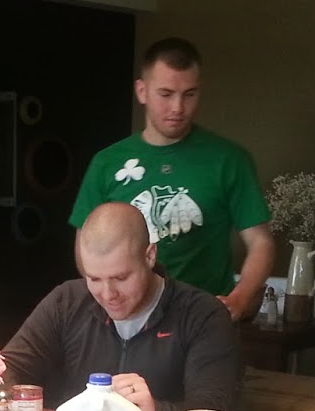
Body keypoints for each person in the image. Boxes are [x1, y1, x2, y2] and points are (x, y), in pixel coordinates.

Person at [70, 37, 274, 322]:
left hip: (202, 317)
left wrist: (238, 299)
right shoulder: (107, 163)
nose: (178, 107)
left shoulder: (228, 159)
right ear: (142, 91)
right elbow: (85, 245)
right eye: (166, 94)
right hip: (128, 320)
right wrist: (110, 298)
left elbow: (260, 242)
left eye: (189, 94)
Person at [3, 202, 239, 411]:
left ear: (149, 256)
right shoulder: (66, 303)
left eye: (121, 277)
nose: (107, 294)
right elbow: (6, 368)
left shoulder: (203, 315)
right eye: (94, 278)